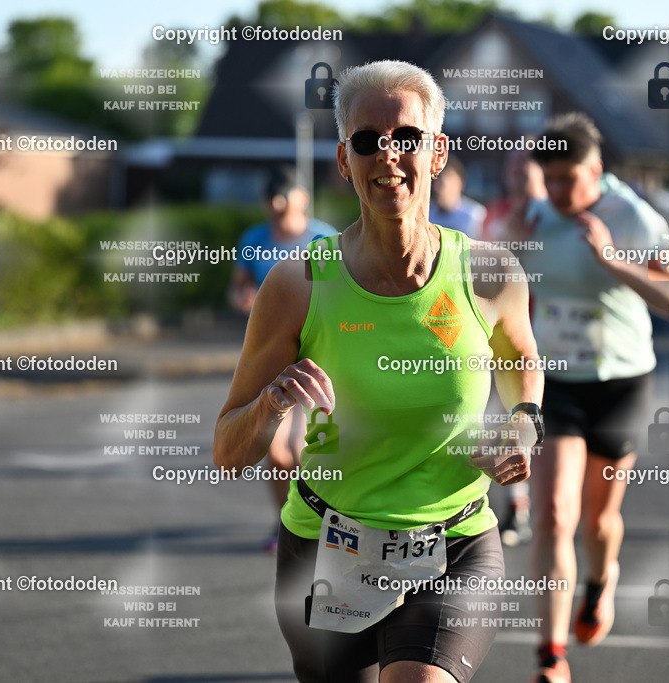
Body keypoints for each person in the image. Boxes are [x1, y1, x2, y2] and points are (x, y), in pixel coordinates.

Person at [213, 59, 544, 683]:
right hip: (325, 549)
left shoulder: (491, 274)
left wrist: (524, 422)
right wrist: (270, 405)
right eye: (367, 140)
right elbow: (228, 450)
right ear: (344, 159)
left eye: (406, 138)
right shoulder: (297, 284)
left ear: (437, 151)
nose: (387, 155)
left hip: (455, 543)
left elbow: (521, 360)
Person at [514, 112, 669, 683]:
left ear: (598, 169)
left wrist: (615, 261)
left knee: (598, 519)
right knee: (555, 514)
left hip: (622, 382)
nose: (558, 191)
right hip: (557, 382)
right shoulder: (537, 215)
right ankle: (551, 655)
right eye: (550, 178)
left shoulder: (636, 217)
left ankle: (600, 578)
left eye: (570, 179)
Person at [229, 166, 338, 553]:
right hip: (271, 357)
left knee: (307, 450)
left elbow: (338, 297)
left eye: (284, 197)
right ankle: (286, 525)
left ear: (302, 199)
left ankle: (323, 524)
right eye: (270, 199)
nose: (277, 206)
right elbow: (238, 289)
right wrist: (243, 300)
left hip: (318, 356)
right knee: (275, 451)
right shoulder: (254, 239)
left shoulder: (325, 238)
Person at [483, 146, 547, 546]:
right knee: (505, 419)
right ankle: (517, 507)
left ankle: (552, 509)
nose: (518, 171)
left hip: (555, 338)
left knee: (547, 429)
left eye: (526, 163)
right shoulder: (494, 213)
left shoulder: (555, 214)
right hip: (505, 339)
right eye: (512, 164)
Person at [429, 155, 487, 240]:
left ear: (461, 183)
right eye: (438, 179)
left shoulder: (476, 215)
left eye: (447, 181)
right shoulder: (426, 213)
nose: (439, 186)